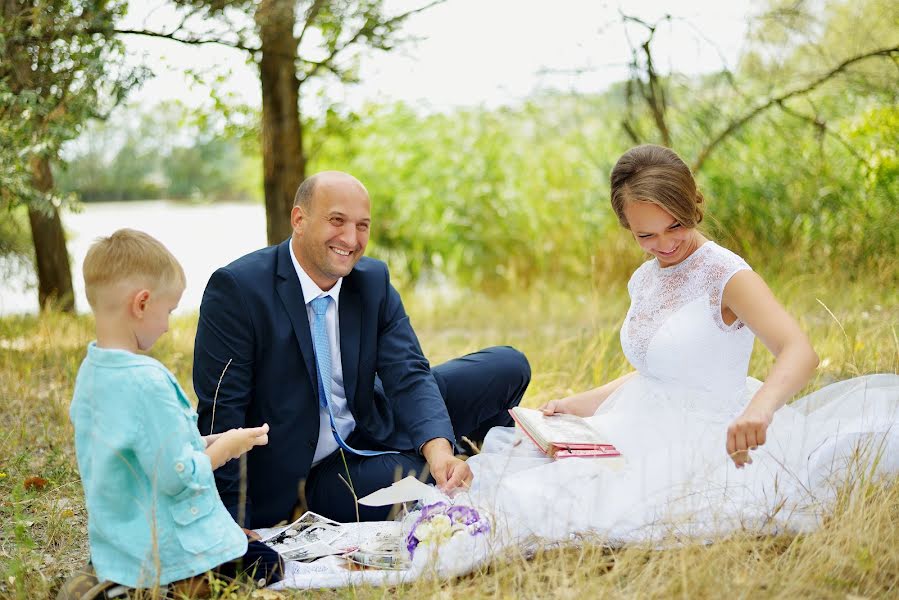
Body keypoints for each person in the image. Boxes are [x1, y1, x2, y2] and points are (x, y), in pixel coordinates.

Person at [464, 144, 899, 547]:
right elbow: (658, 372)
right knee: (525, 477)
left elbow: (800, 350)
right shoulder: (646, 277)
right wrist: (579, 403)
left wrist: (759, 410)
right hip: (641, 418)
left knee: (586, 505)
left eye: (675, 225)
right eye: (646, 236)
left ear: (694, 205)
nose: (665, 245)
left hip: (709, 433)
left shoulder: (727, 276)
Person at [193, 171, 531, 528]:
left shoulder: (372, 281)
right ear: (299, 220)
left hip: (371, 420)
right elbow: (221, 413)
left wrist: (439, 450)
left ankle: (445, 455)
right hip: (310, 472)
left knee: (508, 367)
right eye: (337, 221)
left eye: (362, 226)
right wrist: (229, 526)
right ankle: (444, 465)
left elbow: (408, 373)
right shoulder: (237, 290)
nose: (351, 239)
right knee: (414, 482)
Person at [63, 229, 282, 598]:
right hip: (165, 545)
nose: (167, 325)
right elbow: (175, 477)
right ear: (142, 303)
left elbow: (146, 450)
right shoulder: (147, 381)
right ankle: (166, 586)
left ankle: (117, 579)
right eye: (168, 311)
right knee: (267, 562)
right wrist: (224, 448)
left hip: (120, 540)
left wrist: (207, 440)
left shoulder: (93, 371)